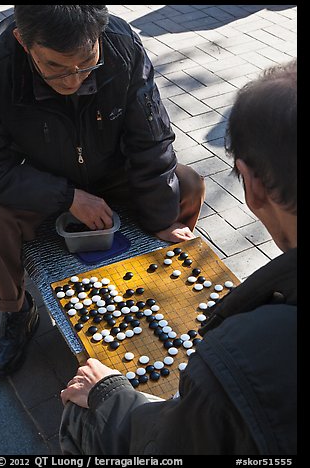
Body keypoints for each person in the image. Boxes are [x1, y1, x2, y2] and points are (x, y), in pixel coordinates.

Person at [59, 59, 297, 455]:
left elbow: (168, 444)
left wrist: (111, 394)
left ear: (252, 187)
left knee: (81, 411)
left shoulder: (243, 358)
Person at [0, 5, 205, 377]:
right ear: (22, 42)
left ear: (99, 33)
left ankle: (156, 270)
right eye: (54, 67)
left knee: (187, 184)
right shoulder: (0, 63)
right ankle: (16, 311)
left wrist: (162, 219)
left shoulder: (122, 46)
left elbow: (151, 141)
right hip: (38, 180)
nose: (72, 80)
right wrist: (68, 197)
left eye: (85, 63)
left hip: (110, 173)